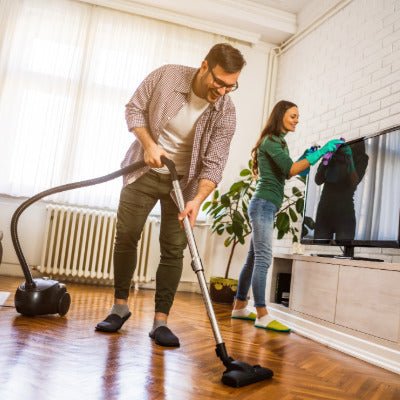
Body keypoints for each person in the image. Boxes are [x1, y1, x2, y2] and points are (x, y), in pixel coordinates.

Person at [95, 43, 246, 347]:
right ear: (204, 66)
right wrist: (149, 144)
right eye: (219, 81)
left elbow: (214, 163)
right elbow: (134, 108)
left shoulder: (226, 111)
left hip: (184, 184)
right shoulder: (167, 76)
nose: (224, 90)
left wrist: (197, 200)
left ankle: (161, 321)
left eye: (232, 85)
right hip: (144, 170)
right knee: (126, 235)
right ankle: (120, 307)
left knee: (174, 249)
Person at [231, 100, 343, 332]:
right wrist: (322, 151)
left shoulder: (278, 142)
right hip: (263, 205)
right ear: (280, 115)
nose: (297, 120)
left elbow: (288, 172)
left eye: (297, 116)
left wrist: (306, 156)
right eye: (293, 116)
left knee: (253, 259)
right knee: (263, 258)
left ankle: (239, 307)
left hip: (266, 205)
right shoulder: (271, 141)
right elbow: (291, 170)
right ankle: (262, 314)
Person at [314, 140, 369, 241]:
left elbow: (354, 182)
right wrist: (326, 160)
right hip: (324, 209)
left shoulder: (361, 157)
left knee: (347, 248)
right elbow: (318, 180)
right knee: (320, 247)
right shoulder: (334, 153)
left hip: (345, 211)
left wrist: (349, 160)